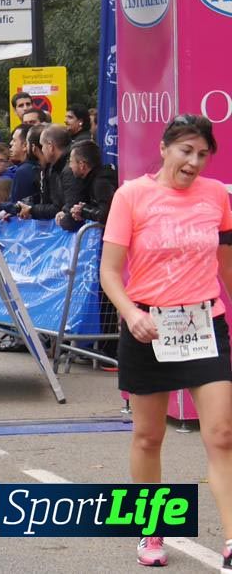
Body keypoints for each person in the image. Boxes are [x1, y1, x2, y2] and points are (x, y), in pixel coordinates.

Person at [99, 114, 232, 569]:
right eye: (186, 151)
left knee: (222, 433)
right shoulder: (131, 196)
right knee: (148, 437)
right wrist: (131, 313)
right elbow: (110, 272)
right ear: (164, 148)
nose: (194, 162)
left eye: (202, 154)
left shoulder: (217, 197)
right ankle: (150, 531)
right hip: (148, 328)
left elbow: (227, 266)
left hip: (203, 324)